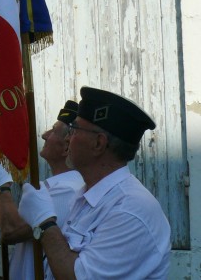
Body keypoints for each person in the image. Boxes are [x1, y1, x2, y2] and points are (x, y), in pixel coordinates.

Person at [19, 86, 171, 279]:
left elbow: (76, 276)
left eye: (73, 130)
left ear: (98, 143)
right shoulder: (89, 197)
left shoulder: (130, 209)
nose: (67, 138)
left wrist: (44, 222)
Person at [0, 100, 85, 279]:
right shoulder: (60, 185)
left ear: (66, 147)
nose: (44, 135)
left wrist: (2, 185)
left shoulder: (67, 191)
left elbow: (10, 230)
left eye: (53, 131)